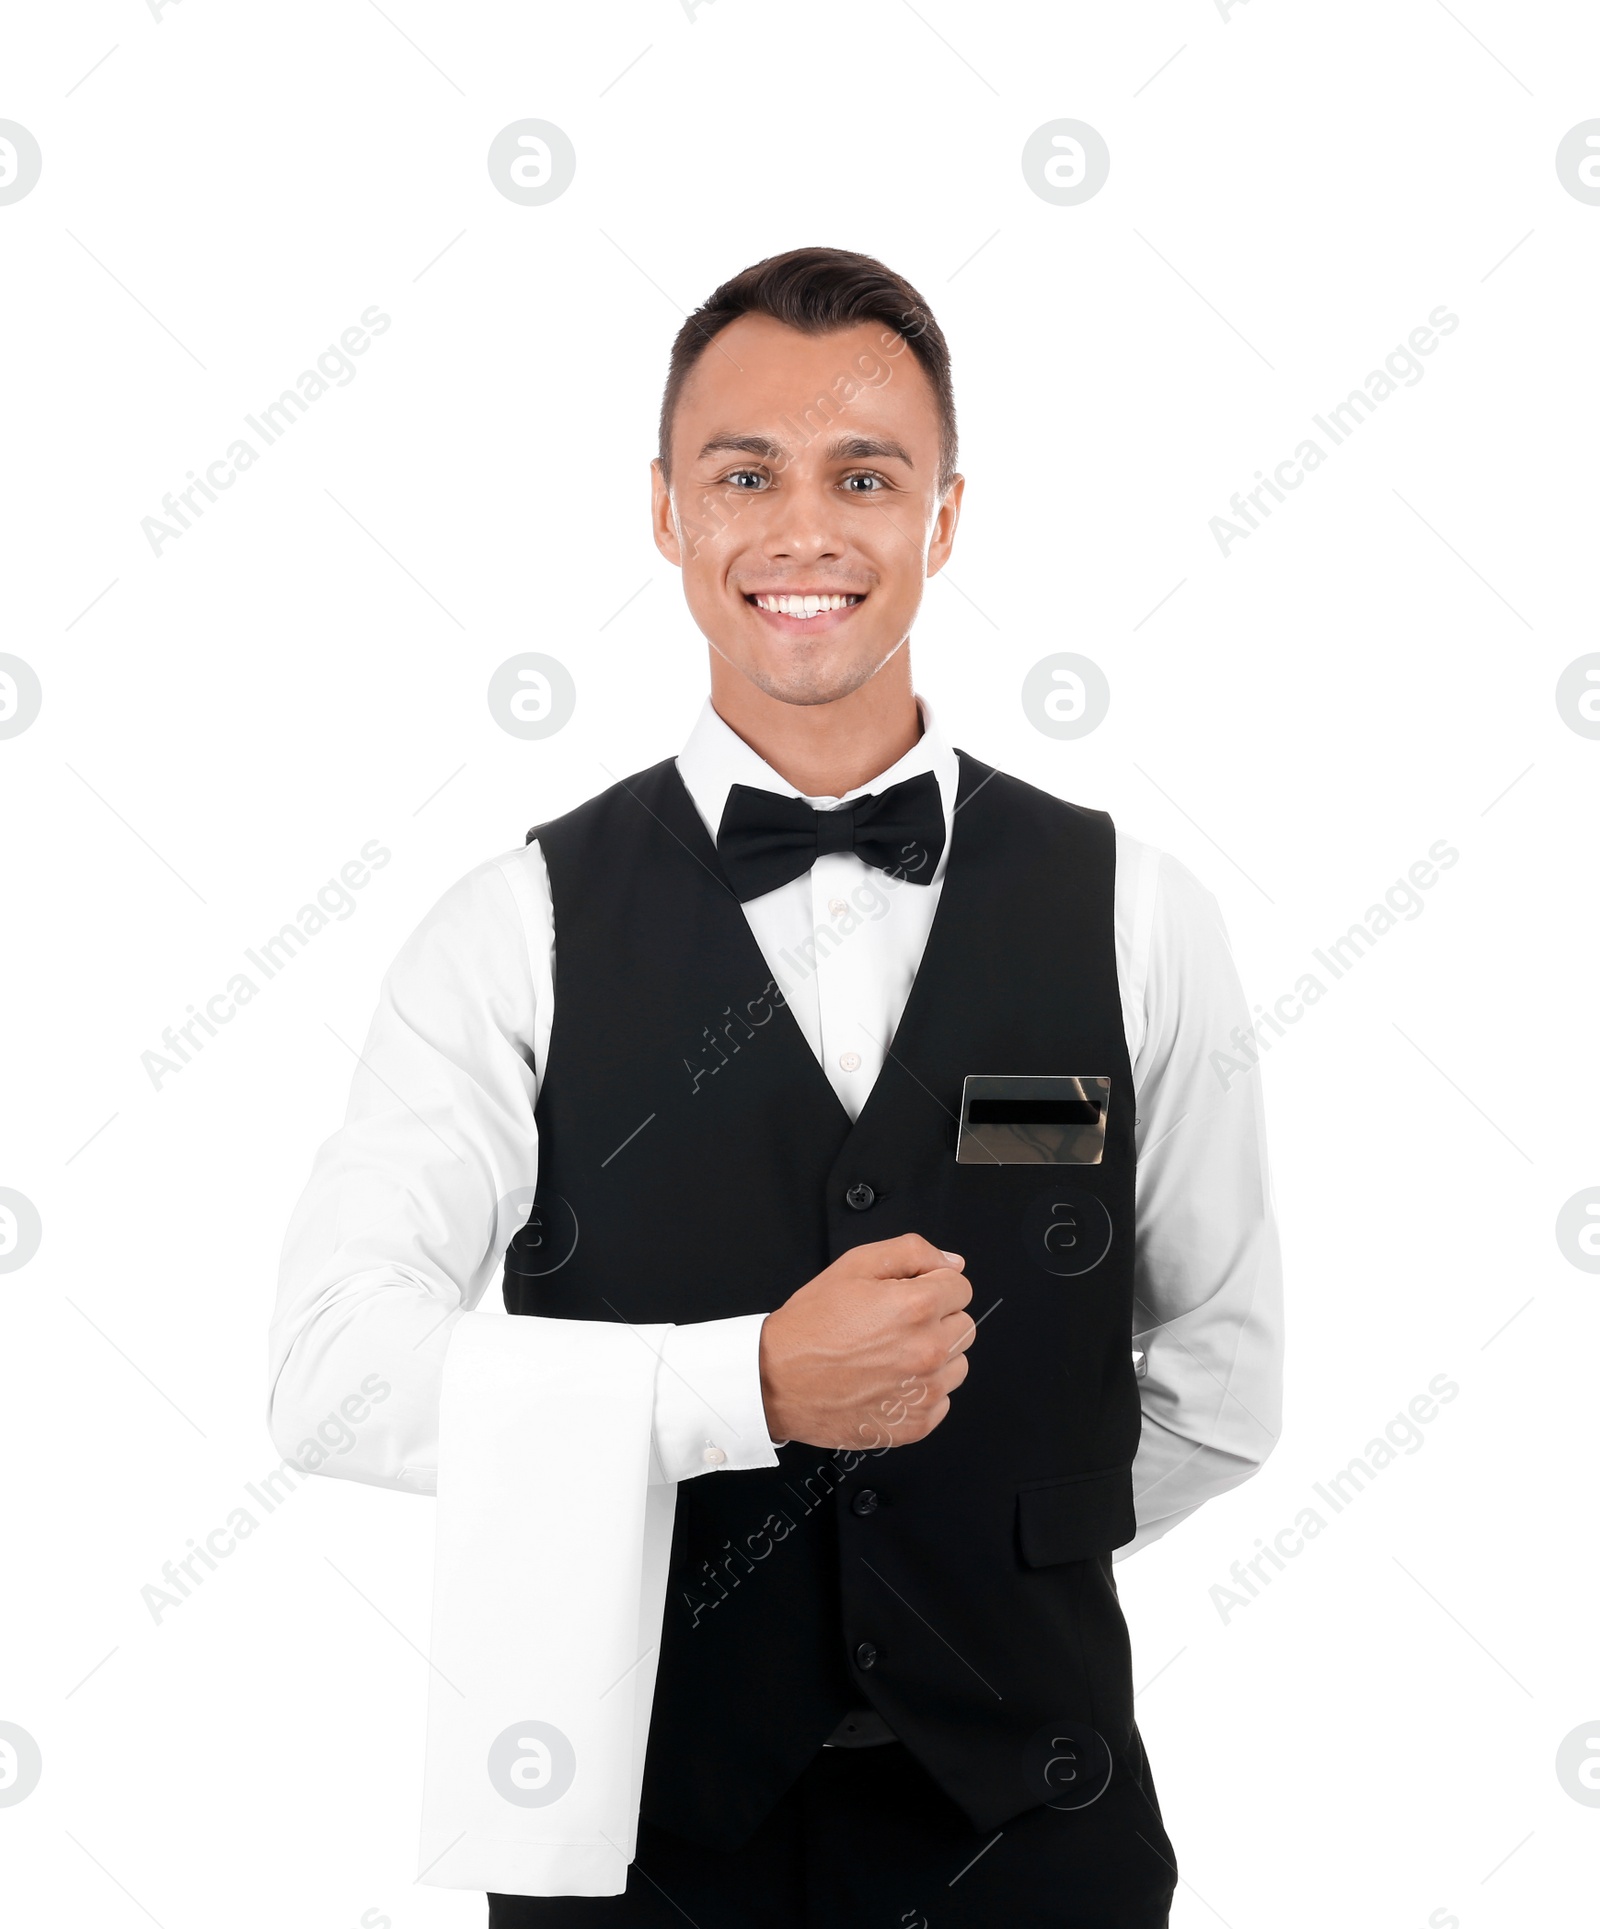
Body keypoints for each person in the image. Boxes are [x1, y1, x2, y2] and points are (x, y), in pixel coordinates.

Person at [269, 245, 1284, 1927]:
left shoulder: (1138, 912)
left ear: (945, 518)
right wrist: (744, 1385)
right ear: (666, 510)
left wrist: (982, 1567)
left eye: (865, 476)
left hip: (1036, 1839)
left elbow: (1219, 1391)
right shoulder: (508, 924)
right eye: (747, 474)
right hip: (633, 1841)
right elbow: (330, 1372)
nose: (805, 532)